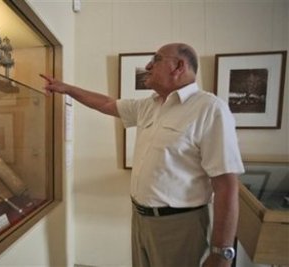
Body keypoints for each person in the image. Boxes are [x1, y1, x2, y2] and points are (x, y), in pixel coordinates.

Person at [40, 43, 244, 267]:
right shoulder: (150, 105)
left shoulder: (210, 109)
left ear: (178, 66)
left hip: (179, 226)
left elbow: (226, 185)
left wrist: (221, 253)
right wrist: (67, 88)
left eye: (155, 59)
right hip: (140, 219)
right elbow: (107, 103)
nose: (147, 66)